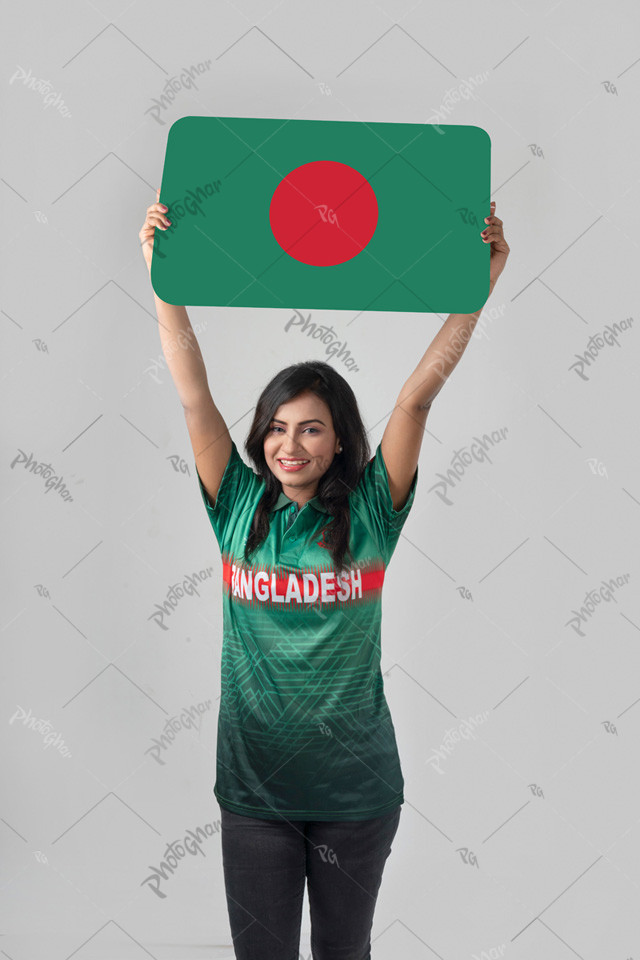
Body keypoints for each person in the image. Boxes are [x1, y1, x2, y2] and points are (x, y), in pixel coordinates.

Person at [139, 189, 510, 959]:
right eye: (276, 427)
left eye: (310, 427)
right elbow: (191, 391)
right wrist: (163, 277)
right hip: (255, 796)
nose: (290, 444)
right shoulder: (236, 506)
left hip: (356, 796)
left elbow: (415, 399)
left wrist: (479, 286)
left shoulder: (376, 512)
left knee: (345, 953)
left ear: (340, 440)